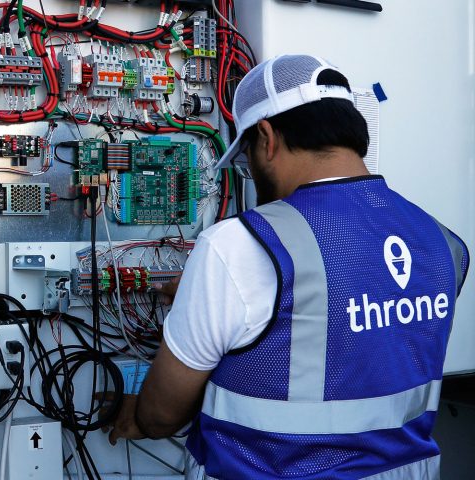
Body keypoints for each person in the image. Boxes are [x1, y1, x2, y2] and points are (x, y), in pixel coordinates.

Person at [106, 54, 470, 479]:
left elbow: (160, 416)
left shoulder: (236, 246)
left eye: (247, 161)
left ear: (267, 138)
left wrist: (135, 414)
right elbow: (359, 337)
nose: (252, 174)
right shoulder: (443, 242)